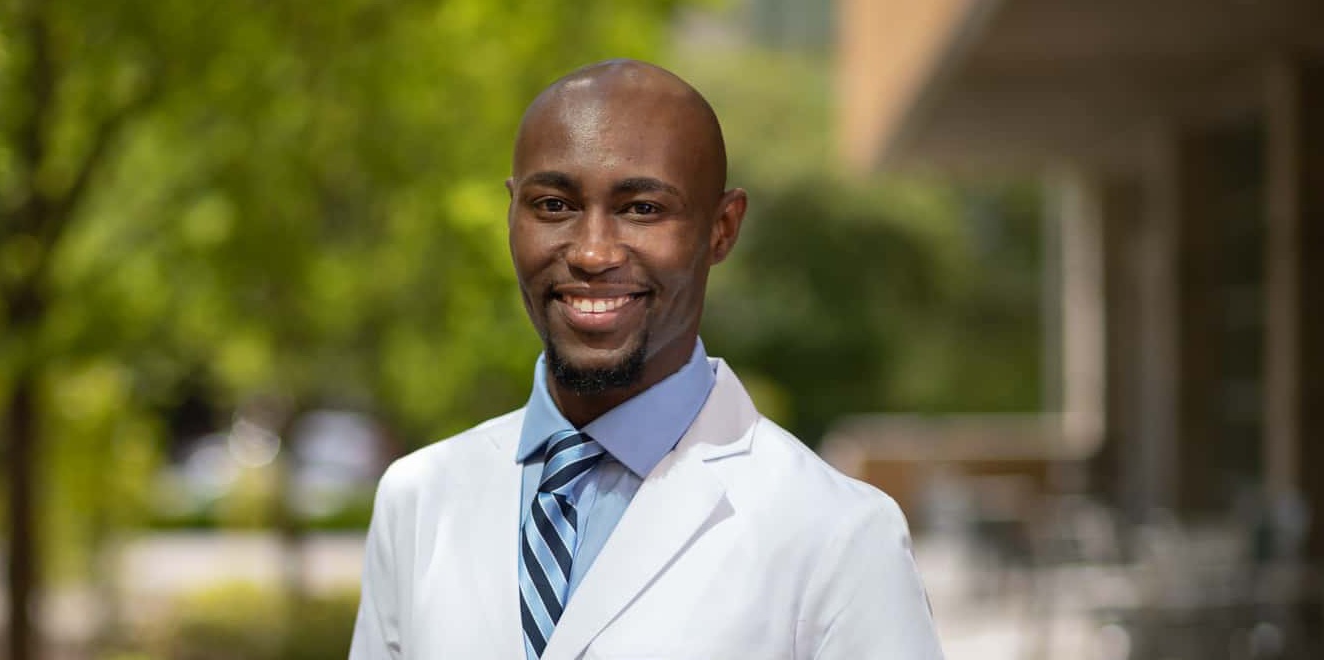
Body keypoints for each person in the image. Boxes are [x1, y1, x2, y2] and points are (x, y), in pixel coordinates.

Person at [349, 59, 944, 660]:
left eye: (642, 209)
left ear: (722, 228)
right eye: (553, 205)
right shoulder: (419, 499)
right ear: (512, 214)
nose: (591, 251)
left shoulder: (836, 534)